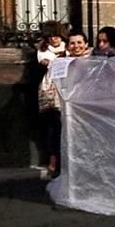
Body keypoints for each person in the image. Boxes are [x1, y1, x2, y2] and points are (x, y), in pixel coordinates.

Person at [36, 26, 67, 177]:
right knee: (52, 128)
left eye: (57, 35)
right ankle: (53, 161)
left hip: (66, 88)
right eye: (51, 36)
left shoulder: (68, 47)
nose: (54, 39)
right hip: (51, 89)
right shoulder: (44, 50)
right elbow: (46, 62)